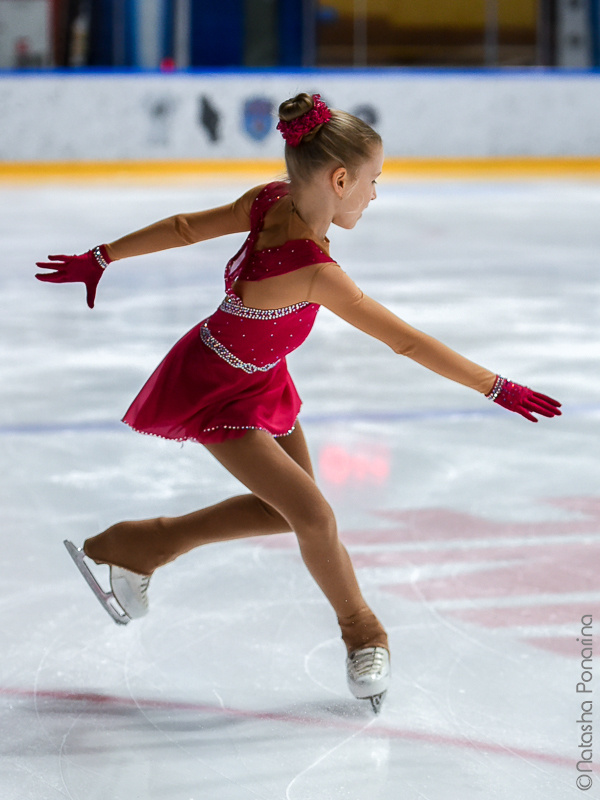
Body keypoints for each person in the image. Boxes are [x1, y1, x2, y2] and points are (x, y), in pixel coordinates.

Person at [35, 92, 561, 713]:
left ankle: (141, 545)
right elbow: (407, 341)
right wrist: (493, 386)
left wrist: (104, 256)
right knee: (314, 517)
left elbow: (184, 228)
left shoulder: (269, 201)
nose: (373, 196)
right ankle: (363, 632)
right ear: (340, 179)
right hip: (215, 391)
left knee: (284, 512)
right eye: (372, 182)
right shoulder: (314, 269)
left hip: (258, 377)